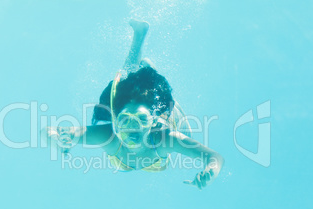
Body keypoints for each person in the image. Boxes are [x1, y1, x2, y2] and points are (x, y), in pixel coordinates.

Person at [43, 19, 224, 190]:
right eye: (125, 120)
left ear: (151, 122)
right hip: (134, 159)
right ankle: (144, 55)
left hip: (164, 123)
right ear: (116, 121)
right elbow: (47, 131)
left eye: (141, 119)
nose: (131, 126)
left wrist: (211, 170)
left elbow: (214, 157)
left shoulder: (163, 139)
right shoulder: (108, 135)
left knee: (160, 103)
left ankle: (146, 61)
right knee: (127, 87)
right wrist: (55, 140)